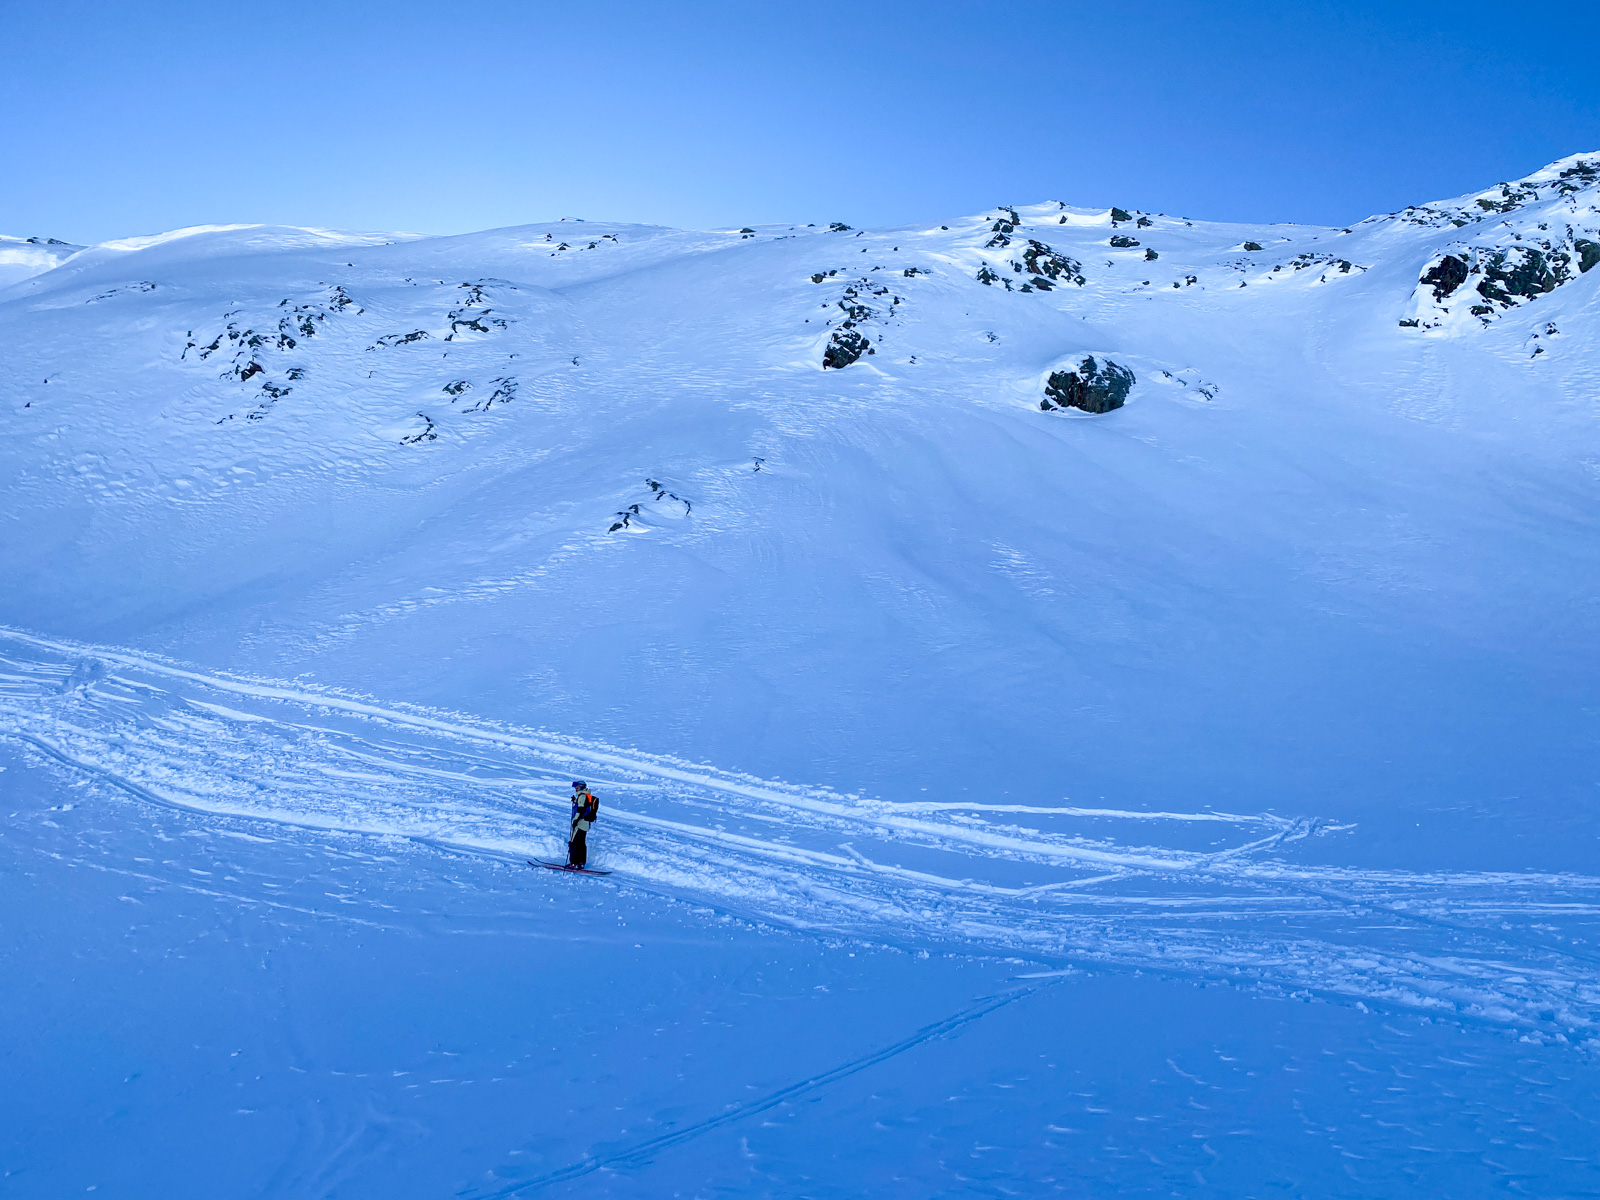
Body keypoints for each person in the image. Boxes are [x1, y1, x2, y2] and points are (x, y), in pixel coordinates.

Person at [568, 781, 599, 868]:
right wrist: (575, 801)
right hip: (585, 823)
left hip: (580, 822)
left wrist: (575, 820)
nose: (576, 788)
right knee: (581, 842)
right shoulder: (586, 795)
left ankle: (574, 863)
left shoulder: (582, 796)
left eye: (577, 787)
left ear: (581, 787)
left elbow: (580, 810)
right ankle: (581, 862)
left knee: (574, 842)